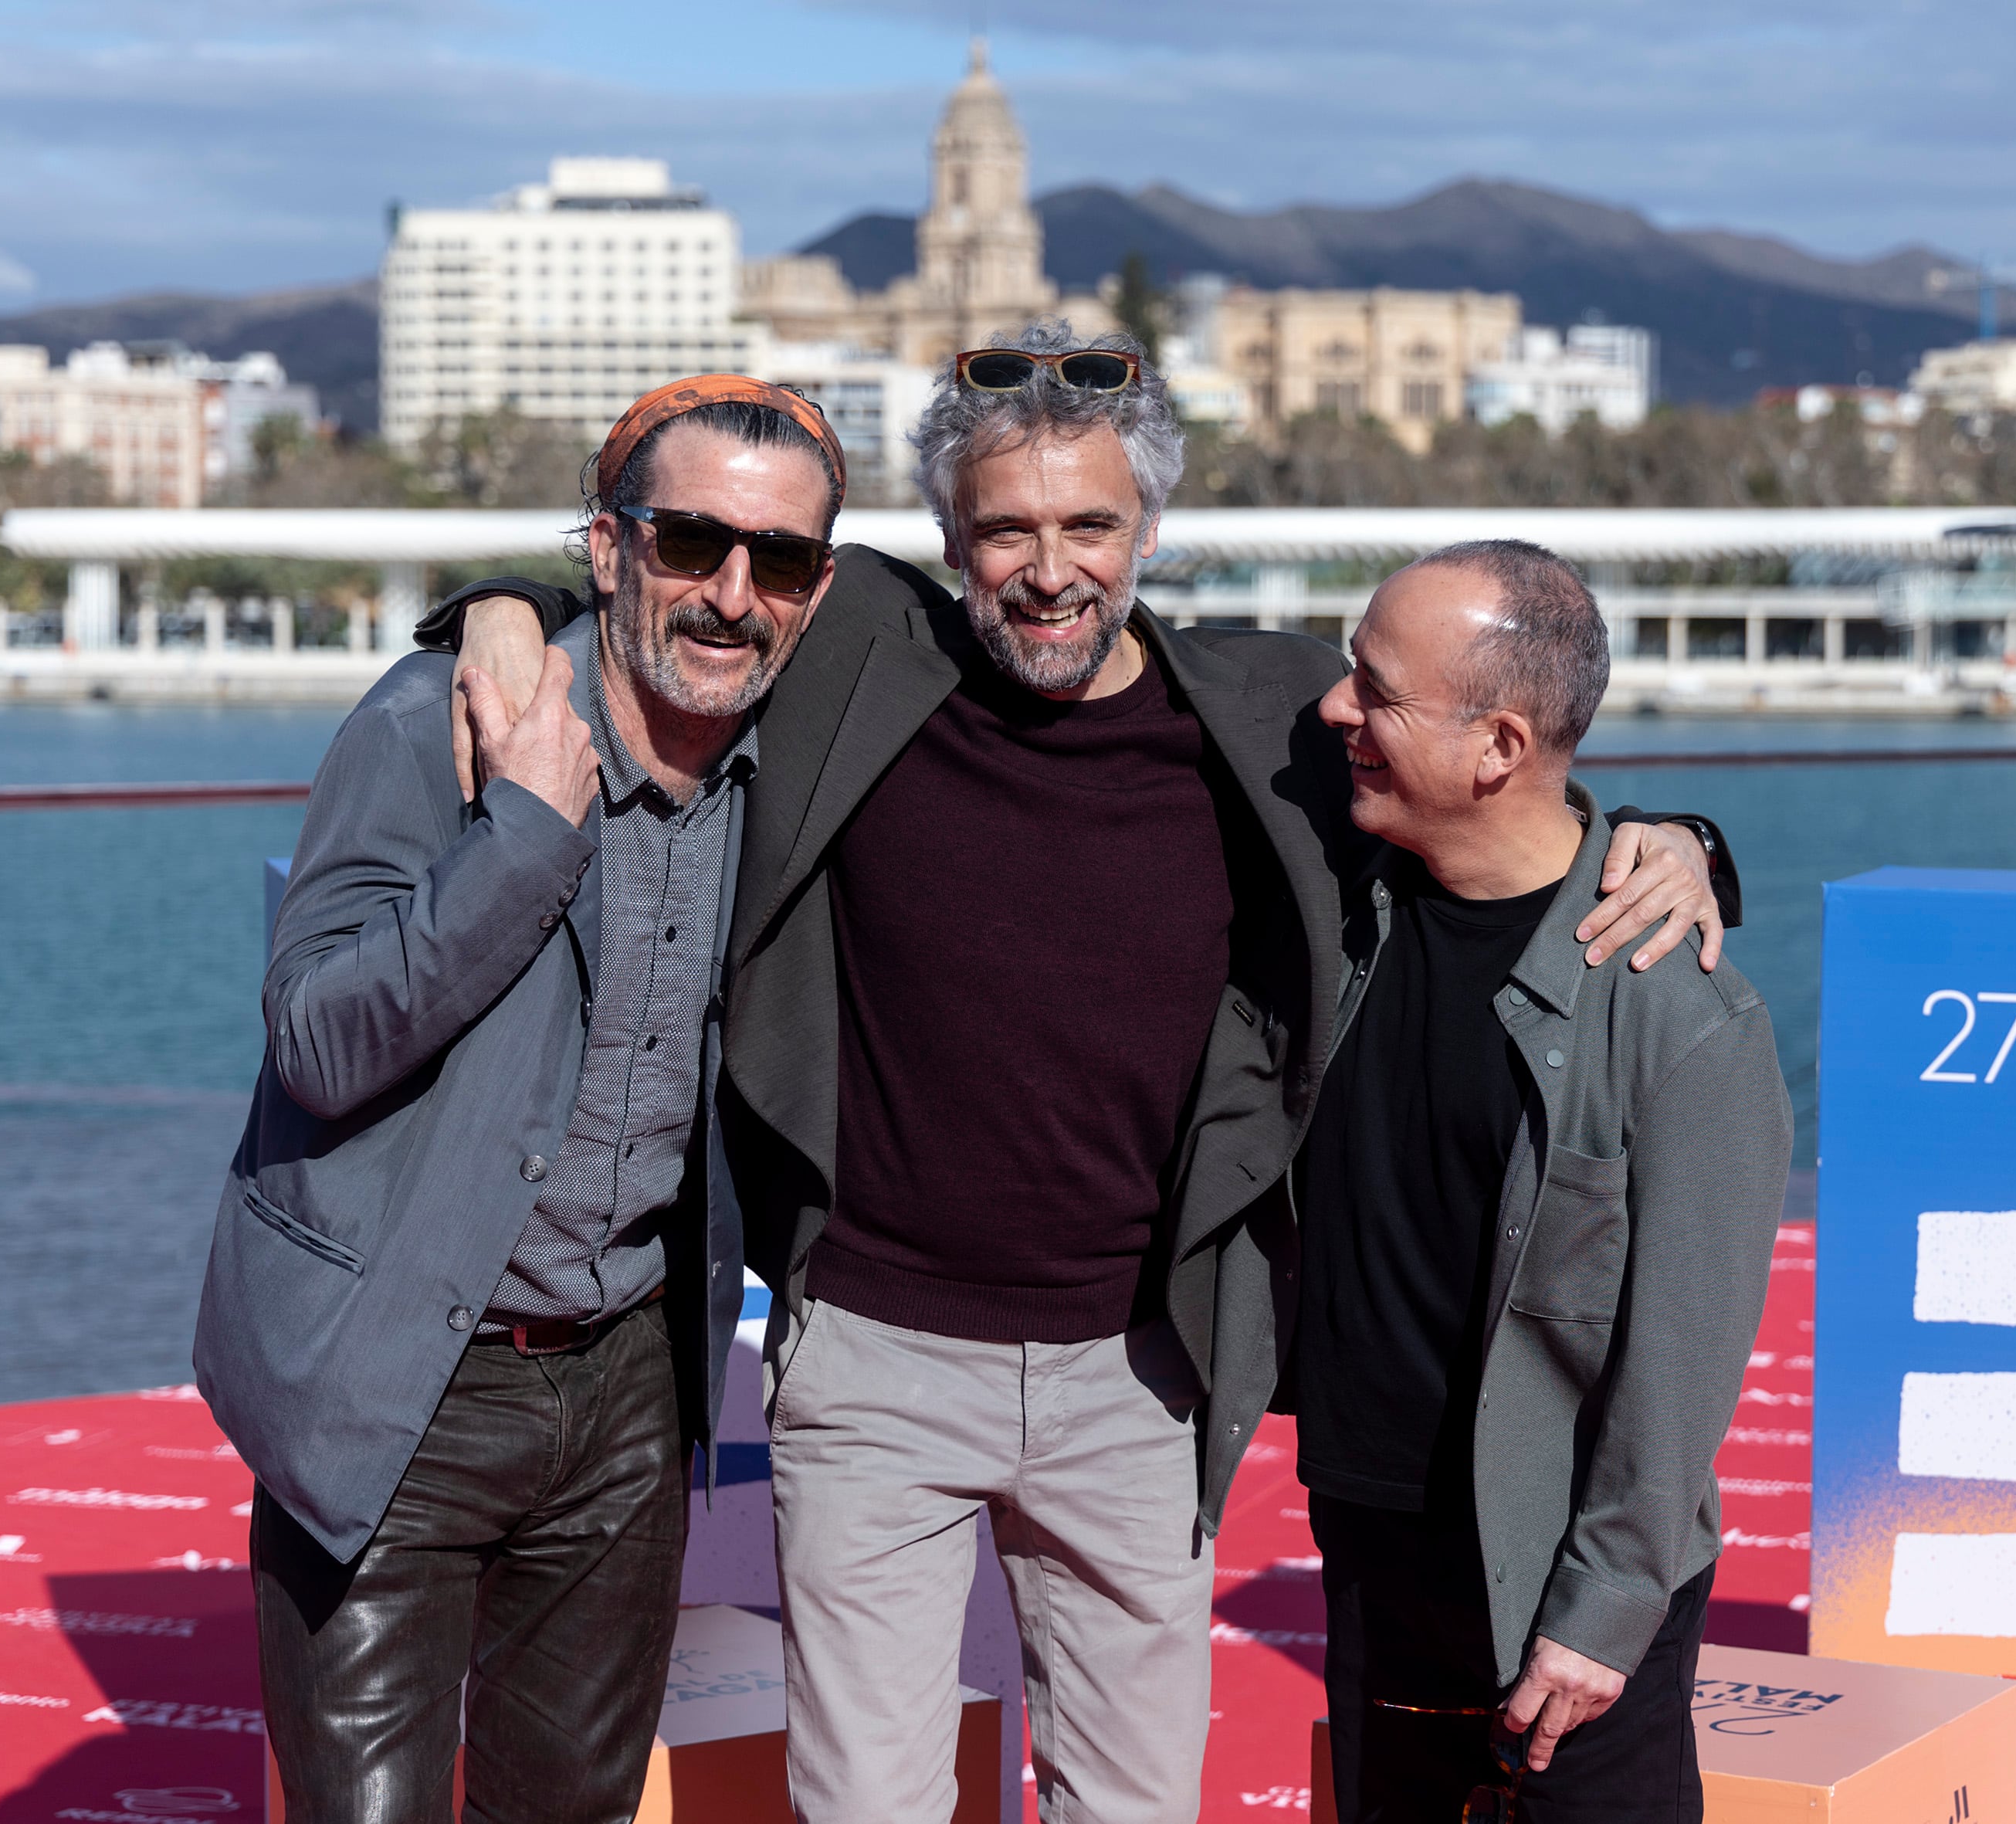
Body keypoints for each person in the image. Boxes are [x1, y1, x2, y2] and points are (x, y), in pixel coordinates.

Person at [429, 324, 1737, 1824]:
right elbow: (684, 593)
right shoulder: (856, 652)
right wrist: (500, 614)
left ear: (1147, 533)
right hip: (872, 1364)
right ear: (948, 540)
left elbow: (1484, 778)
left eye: (1089, 524)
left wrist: (1678, 835)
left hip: (1141, 1376)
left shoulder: (1272, 719)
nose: (1049, 567)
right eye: (1006, 529)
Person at [193, 377, 850, 1824]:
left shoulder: (787, 763)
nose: (733, 593)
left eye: (782, 560)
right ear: (609, 548)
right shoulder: (438, 723)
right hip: (398, 1377)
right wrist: (526, 835)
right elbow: (315, 1037)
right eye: (690, 541)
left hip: (627, 1383)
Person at [1294, 541, 1791, 1822]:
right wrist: (1671, 828)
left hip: (1564, 1597)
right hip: (1370, 1556)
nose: (1336, 708)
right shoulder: (1344, 902)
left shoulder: (1677, 1013)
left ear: (1499, 745)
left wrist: (1606, 1608)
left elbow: (1680, 1361)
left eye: (1375, 689)